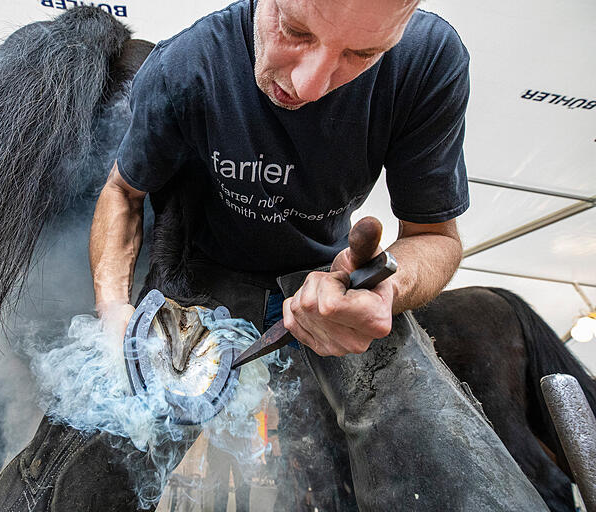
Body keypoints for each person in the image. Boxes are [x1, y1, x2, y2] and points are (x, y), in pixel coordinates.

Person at [89, 0, 549, 508]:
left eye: (362, 53)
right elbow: (123, 193)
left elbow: (435, 236)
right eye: (295, 30)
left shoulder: (427, 59)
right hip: (208, 269)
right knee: (108, 447)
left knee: (423, 437)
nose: (309, 87)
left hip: (328, 279)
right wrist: (113, 311)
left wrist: (388, 289)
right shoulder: (188, 64)